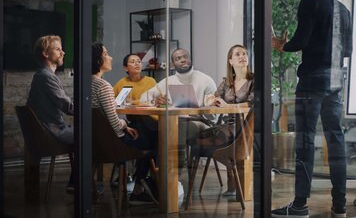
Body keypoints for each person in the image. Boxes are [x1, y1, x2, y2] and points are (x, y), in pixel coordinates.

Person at [271, 0, 352, 218]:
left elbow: (300, 41)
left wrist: (281, 45)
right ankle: (339, 205)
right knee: (336, 140)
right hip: (336, 80)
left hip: (312, 81)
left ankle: (299, 205)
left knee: (305, 141)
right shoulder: (342, 8)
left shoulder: (309, 2)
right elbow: (348, 50)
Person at [91, 42, 157, 205]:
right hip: (115, 142)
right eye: (106, 54)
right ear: (97, 60)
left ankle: (139, 183)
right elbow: (114, 123)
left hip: (97, 141)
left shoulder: (85, 84)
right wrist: (125, 126)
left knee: (146, 132)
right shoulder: (103, 86)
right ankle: (141, 185)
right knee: (156, 139)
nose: (110, 57)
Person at [140, 48, 217, 163]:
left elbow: (214, 114)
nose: (182, 60)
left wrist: (200, 110)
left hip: (203, 123)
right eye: (178, 58)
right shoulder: (168, 81)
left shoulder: (205, 80)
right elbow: (144, 97)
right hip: (175, 122)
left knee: (177, 127)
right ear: (172, 64)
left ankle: (176, 171)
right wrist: (156, 100)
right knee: (153, 126)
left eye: (185, 57)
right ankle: (155, 172)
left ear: (190, 59)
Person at [197, 44, 254, 196]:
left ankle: (233, 176)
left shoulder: (253, 80)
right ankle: (233, 179)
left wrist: (228, 105)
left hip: (247, 126)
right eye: (238, 54)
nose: (242, 56)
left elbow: (251, 103)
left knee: (218, 135)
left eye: (244, 53)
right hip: (230, 125)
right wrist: (211, 100)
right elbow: (215, 96)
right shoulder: (226, 82)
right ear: (230, 61)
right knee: (202, 135)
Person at [27, 35, 75, 192]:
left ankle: (77, 182)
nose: (63, 53)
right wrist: (90, 107)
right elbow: (69, 108)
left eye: (62, 49)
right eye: (57, 49)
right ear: (45, 54)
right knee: (92, 135)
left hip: (49, 131)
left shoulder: (42, 75)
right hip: (53, 134)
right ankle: (78, 183)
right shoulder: (46, 77)